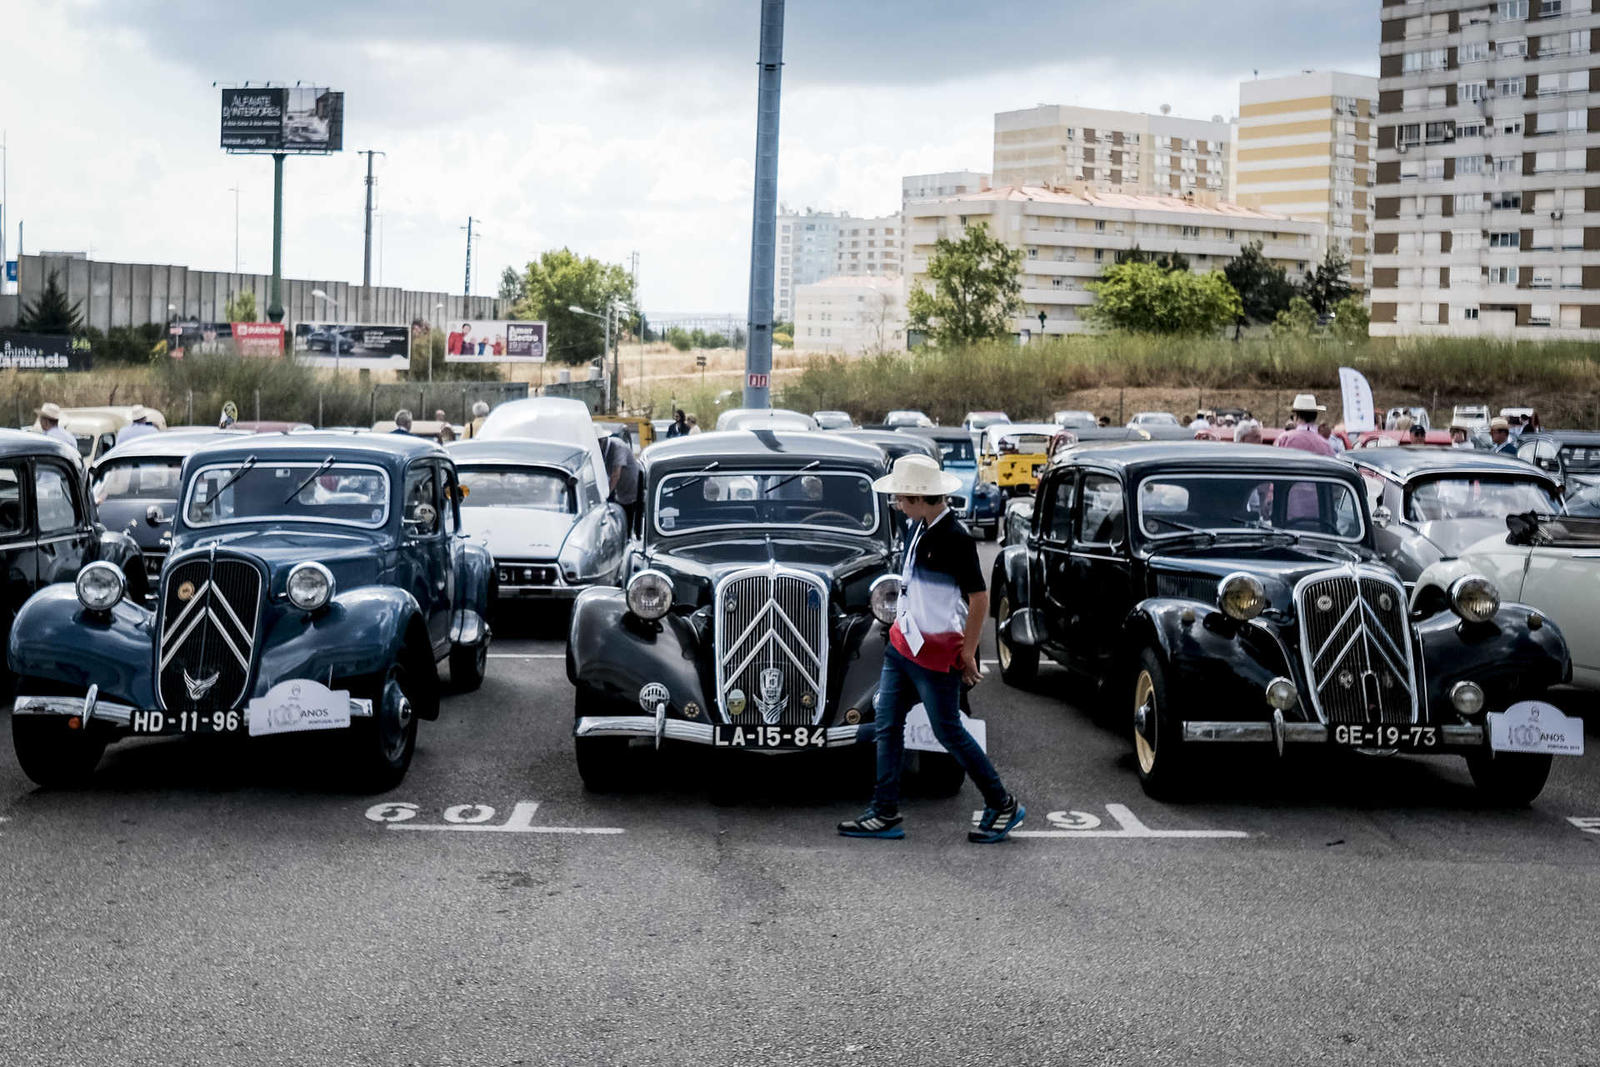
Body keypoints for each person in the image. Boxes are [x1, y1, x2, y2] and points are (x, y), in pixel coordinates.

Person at [838, 455, 1024, 845]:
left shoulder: (955, 538)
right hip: (903, 647)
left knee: (948, 731)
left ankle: (1002, 802)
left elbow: (978, 599)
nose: (897, 504)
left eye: (901, 498)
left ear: (919, 497)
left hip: (937, 655)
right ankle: (885, 810)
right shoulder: (916, 526)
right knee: (887, 723)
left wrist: (969, 651)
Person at [600, 428, 643, 531]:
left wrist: (605, 494)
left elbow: (616, 474)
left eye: (599, 441)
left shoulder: (617, 446)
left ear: (604, 439)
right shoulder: (602, 450)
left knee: (630, 520)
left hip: (632, 488)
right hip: (620, 491)